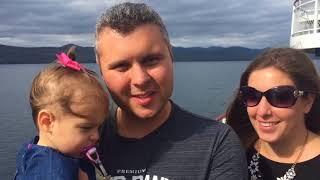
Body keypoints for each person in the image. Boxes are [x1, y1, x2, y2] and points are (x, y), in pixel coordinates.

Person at [95, 2, 247, 180]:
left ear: (171, 56)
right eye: (121, 66)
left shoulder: (217, 144)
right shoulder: (80, 138)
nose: (140, 79)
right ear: (101, 71)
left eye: (151, 60)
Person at [14, 47, 109, 180]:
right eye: (86, 128)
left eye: (98, 127)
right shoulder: (51, 172)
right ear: (47, 122)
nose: (96, 136)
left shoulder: (33, 150)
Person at [226, 48, 320, 180]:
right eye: (251, 95)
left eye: (281, 96)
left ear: (308, 102)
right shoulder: (233, 151)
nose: (262, 111)